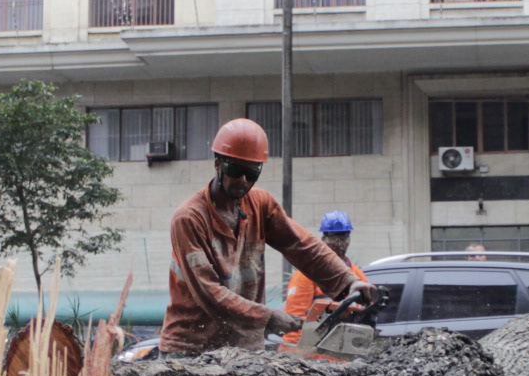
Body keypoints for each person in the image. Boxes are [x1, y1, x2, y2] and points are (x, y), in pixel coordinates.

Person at [160, 119, 378, 355]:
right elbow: (209, 293)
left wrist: (348, 282)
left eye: (252, 172)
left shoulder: (260, 205)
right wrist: (268, 317)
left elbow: (302, 246)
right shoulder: (190, 219)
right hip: (191, 349)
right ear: (218, 164)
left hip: (243, 349)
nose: (243, 180)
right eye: (236, 170)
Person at [283, 210, 369, 346]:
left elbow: (364, 317)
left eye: (344, 238)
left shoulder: (358, 276)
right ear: (323, 240)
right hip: (315, 358)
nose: (339, 244)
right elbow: (294, 320)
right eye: (334, 239)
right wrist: (295, 357)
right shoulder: (307, 275)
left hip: (344, 358)